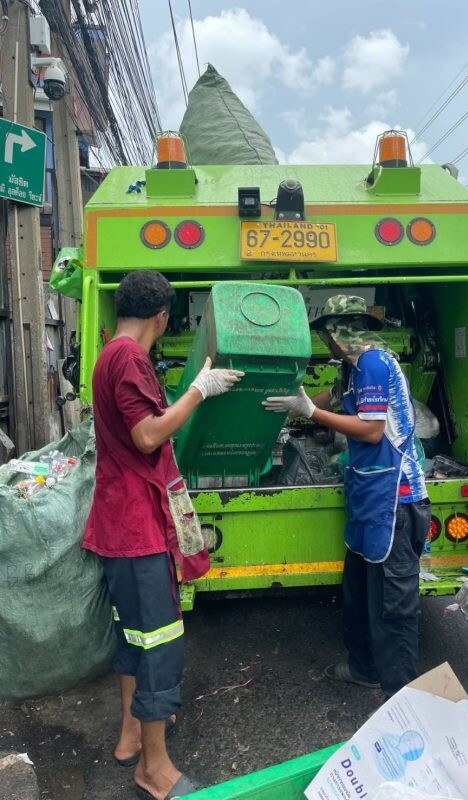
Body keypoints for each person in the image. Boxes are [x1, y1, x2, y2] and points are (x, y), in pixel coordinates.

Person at [82, 270, 244, 800]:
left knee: (135, 636)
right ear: (162, 318)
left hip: (120, 522)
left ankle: (131, 735)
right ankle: (153, 769)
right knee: (159, 644)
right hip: (135, 526)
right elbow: (148, 435)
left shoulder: (111, 353)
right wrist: (199, 390)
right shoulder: (129, 358)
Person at [263, 295, 430, 698]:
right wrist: (292, 406)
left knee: (392, 607)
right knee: (358, 596)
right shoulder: (353, 367)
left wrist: (311, 414)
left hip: (394, 501)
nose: (327, 343)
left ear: (342, 330)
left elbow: (371, 430)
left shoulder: (373, 363)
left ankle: (401, 698)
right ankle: (364, 668)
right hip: (367, 498)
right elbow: (334, 399)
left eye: (327, 335)